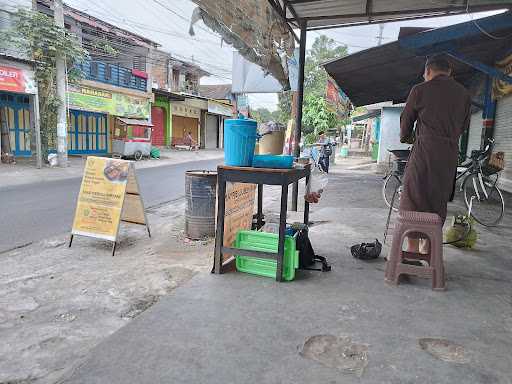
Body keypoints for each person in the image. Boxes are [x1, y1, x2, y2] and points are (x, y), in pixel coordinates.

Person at [399, 55, 471, 253]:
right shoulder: (464, 93)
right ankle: (428, 248)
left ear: (428, 71)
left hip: (424, 151)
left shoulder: (420, 89)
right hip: (448, 155)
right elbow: (464, 125)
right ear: (450, 72)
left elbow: (406, 121)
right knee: (437, 198)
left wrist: (407, 138)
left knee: (414, 196)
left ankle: (411, 249)